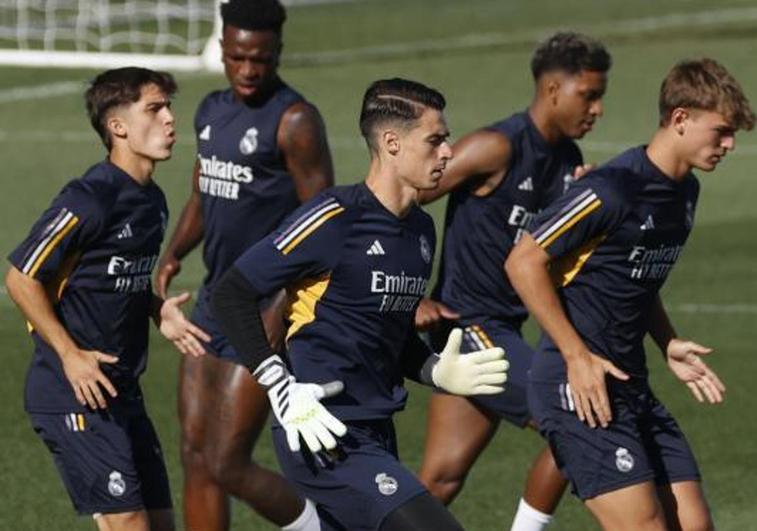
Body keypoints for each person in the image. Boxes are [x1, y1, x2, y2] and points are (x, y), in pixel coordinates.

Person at [210, 78, 509, 531]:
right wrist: (280, 386)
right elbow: (231, 293)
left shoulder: (421, 232)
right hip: (321, 429)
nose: (448, 151)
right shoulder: (334, 216)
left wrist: (433, 370)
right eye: (435, 139)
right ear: (392, 143)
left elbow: (389, 333)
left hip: (375, 427)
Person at [505, 57, 753, 531]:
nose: (729, 144)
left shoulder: (685, 193)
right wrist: (576, 356)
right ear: (681, 118)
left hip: (630, 383)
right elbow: (523, 261)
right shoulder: (610, 189)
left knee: (695, 525)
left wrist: (668, 343)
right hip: (577, 386)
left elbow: (634, 279)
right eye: (721, 131)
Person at [413, 32, 610, 530]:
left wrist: (590, 210)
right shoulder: (494, 147)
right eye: (589, 94)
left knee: (440, 480)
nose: (599, 108)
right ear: (552, 91)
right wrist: (407, 296)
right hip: (470, 327)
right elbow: (395, 200)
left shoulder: (568, 162)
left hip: (502, 331)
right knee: (577, 417)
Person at [5, 67, 211, 531]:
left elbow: (113, 280)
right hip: (71, 391)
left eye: (168, 108)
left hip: (120, 391)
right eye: (155, 109)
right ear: (117, 126)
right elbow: (20, 278)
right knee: (129, 522)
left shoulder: (152, 200)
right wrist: (70, 355)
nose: (171, 120)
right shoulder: (88, 198)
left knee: (159, 523)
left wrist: (158, 311)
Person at [154, 0, 334, 529]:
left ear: (277, 50)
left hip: (262, 308)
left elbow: (322, 221)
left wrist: (285, 305)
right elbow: (203, 193)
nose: (248, 69)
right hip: (213, 301)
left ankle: (320, 526)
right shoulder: (210, 109)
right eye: (236, 57)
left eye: (260, 58)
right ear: (224, 50)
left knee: (228, 461)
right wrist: (174, 252)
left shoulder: (295, 120)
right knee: (194, 452)